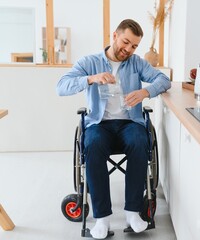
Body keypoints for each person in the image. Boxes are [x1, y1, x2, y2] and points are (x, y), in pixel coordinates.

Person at [56, 19, 171, 239]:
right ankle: (102, 219)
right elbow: (61, 86)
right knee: (93, 143)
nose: (128, 50)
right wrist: (90, 79)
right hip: (100, 125)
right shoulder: (89, 62)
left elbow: (163, 79)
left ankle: (132, 213)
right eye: (125, 42)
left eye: (134, 46)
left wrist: (145, 92)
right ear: (114, 36)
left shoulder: (137, 63)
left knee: (139, 141)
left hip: (130, 123)